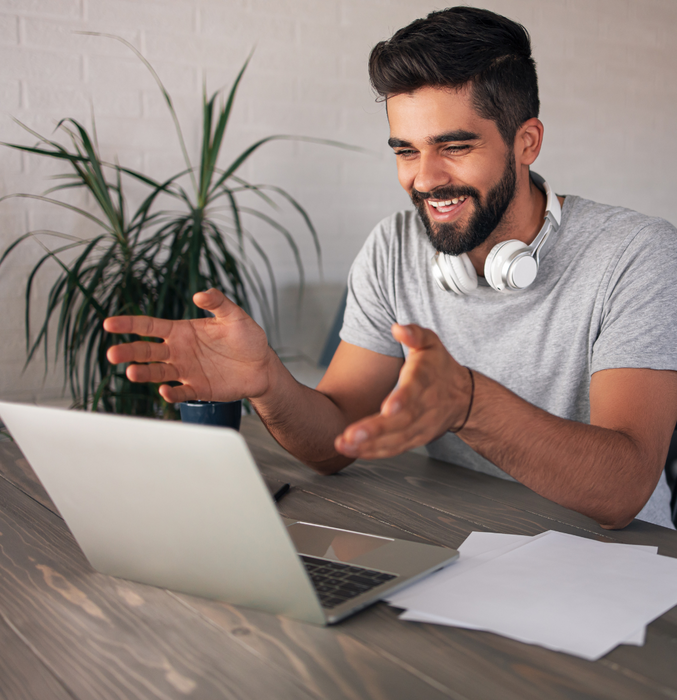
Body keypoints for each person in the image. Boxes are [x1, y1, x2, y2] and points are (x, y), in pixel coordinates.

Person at [104, 7, 677, 530]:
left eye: (453, 147)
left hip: (618, 573)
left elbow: (623, 488)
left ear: (525, 142)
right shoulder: (393, 248)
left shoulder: (636, 253)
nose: (423, 179)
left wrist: (468, 403)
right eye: (405, 150)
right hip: (458, 545)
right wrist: (269, 382)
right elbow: (336, 441)